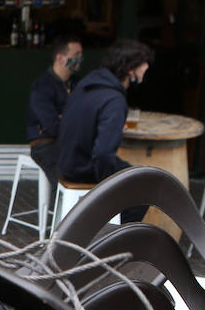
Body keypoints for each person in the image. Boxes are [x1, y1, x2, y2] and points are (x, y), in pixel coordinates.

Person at [56, 38, 154, 222]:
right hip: (83, 168)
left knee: (131, 172)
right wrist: (107, 189)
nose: (147, 66)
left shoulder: (88, 84)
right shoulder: (114, 100)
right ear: (130, 68)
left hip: (66, 162)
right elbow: (103, 154)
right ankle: (114, 239)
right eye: (144, 62)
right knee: (144, 187)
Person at [25, 34, 83, 189]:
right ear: (60, 58)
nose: (80, 58)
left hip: (71, 142)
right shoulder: (42, 86)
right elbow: (52, 125)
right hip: (45, 143)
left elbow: (85, 114)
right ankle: (69, 212)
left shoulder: (78, 84)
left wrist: (65, 119)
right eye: (76, 55)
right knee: (68, 180)